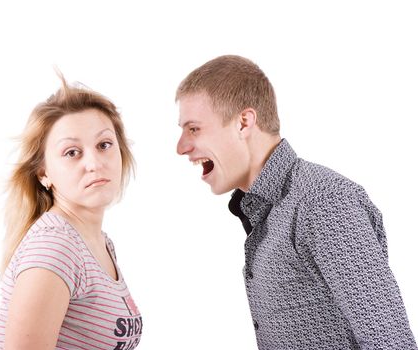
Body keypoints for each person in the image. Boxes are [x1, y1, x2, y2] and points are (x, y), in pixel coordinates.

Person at [175, 55, 417, 349]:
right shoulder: (268, 210)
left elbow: (390, 342)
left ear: (243, 122)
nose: (182, 147)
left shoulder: (324, 201)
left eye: (194, 129)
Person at [0, 76, 142, 350]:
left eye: (104, 145)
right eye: (72, 152)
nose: (94, 163)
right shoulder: (55, 247)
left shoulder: (98, 243)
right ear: (44, 173)